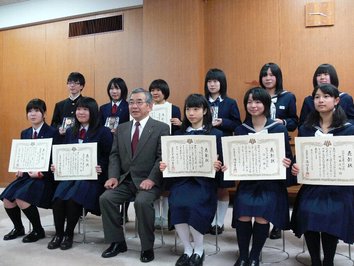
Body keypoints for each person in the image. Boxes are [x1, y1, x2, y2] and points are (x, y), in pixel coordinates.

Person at [99, 88, 170, 262]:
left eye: (139, 102)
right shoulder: (122, 128)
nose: (134, 106)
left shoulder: (161, 128)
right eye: (131, 102)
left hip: (149, 181)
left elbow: (162, 157)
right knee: (106, 198)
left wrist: (152, 179)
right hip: (125, 179)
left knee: (142, 202)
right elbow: (114, 155)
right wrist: (114, 176)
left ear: (150, 106)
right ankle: (117, 242)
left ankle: (147, 247)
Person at [291, 83, 354, 266]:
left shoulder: (349, 130)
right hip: (313, 185)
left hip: (339, 188)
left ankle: (328, 261)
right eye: (317, 97)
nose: (321, 100)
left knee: (331, 215)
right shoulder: (306, 129)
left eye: (326, 96)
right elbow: (300, 159)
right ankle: (315, 261)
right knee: (308, 213)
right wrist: (296, 167)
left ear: (336, 100)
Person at [231, 87, 292, 266]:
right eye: (249, 102)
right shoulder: (240, 129)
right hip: (248, 183)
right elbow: (235, 157)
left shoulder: (278, 128)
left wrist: (286, 162)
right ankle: (243, 256)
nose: (253, 105)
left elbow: (288, 155)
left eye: (257, 101)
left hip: (270, 184)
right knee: (242, 213)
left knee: (261, 215)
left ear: (265, 104)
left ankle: (255, 255)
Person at [160, 94, 223, 266]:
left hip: (204, 182)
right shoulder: (178, 135)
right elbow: (171, 159)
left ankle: (199, 250)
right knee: (177, 203)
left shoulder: (216, 134)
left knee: (195, 205)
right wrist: (165, 166)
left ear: (205, 111)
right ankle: (187, 249)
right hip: (182, 181)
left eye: (196, 109)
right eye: (188, 109)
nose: (191, 113)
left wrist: (218, 165)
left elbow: (223, 163)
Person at [47, 97, 112, 250]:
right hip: (71, 175)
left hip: (91, 178)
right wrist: (57, 165)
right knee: (57, 198)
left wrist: (100, 167)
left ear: (93, 112)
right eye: (78, 109)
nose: (80, 112)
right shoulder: (70, 131)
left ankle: (69, 235)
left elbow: (108, 156)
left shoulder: (104, 132)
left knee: (72, 198)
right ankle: (58, 234)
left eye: (85, 109)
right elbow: (65, 153)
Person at [1, 98, 58, 242]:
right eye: (30, 111)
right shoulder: (25, 133)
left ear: (44, 114)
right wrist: (20, 167)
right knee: (7, 198)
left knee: (21, 197)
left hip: (45, 178)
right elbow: (24, 155)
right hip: (27, 176)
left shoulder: (53, 132)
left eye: (36, 111)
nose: (33, 114)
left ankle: (38, 230)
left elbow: (56, 159)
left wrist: (41, 173)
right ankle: (18, 228)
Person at [259, 62, 298, 239]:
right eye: (265, 75)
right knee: (263, 185)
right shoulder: (256, 97)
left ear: (277, 77)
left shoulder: (288, 97)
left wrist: (284, 123)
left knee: (278, 186)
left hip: (279, 145)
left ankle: (277, 223)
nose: (268, 78)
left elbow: (294, 122)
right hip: (259, 147)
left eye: (271, 75)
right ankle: (263, 220)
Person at [204, 68, 241, 235]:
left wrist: (222, 122)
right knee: (208, 185)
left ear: (222, 83)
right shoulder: (202, 101)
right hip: (205, 146)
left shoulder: (229, 102)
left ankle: (219, 221)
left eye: (215, 81)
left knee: (222, 186)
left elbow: (237, 124)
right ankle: (210, 219)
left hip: (223, 146)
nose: (212, 84)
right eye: (209, 81)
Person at [149, 79, 182, 230]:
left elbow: (178, 133)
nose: (155, 93)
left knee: (167, 185)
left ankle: (166, 216)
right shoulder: (147, 108)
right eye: (152, 90)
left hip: (168, 150)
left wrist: (179, 124)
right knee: (154, 182)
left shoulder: (173, 109)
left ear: (165, 92)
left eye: (158, 90)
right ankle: (156, 215)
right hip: (150, 149)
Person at [99, 77, 130, 224]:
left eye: (117, 88)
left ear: (122, 90)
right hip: (107, 144)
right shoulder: (103, 108)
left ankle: (124, 212)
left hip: (124, 145)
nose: (114, 91)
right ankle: (112, 209)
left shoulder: (129, 106)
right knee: (110, 175)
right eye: (111, 88)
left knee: (123, 176)